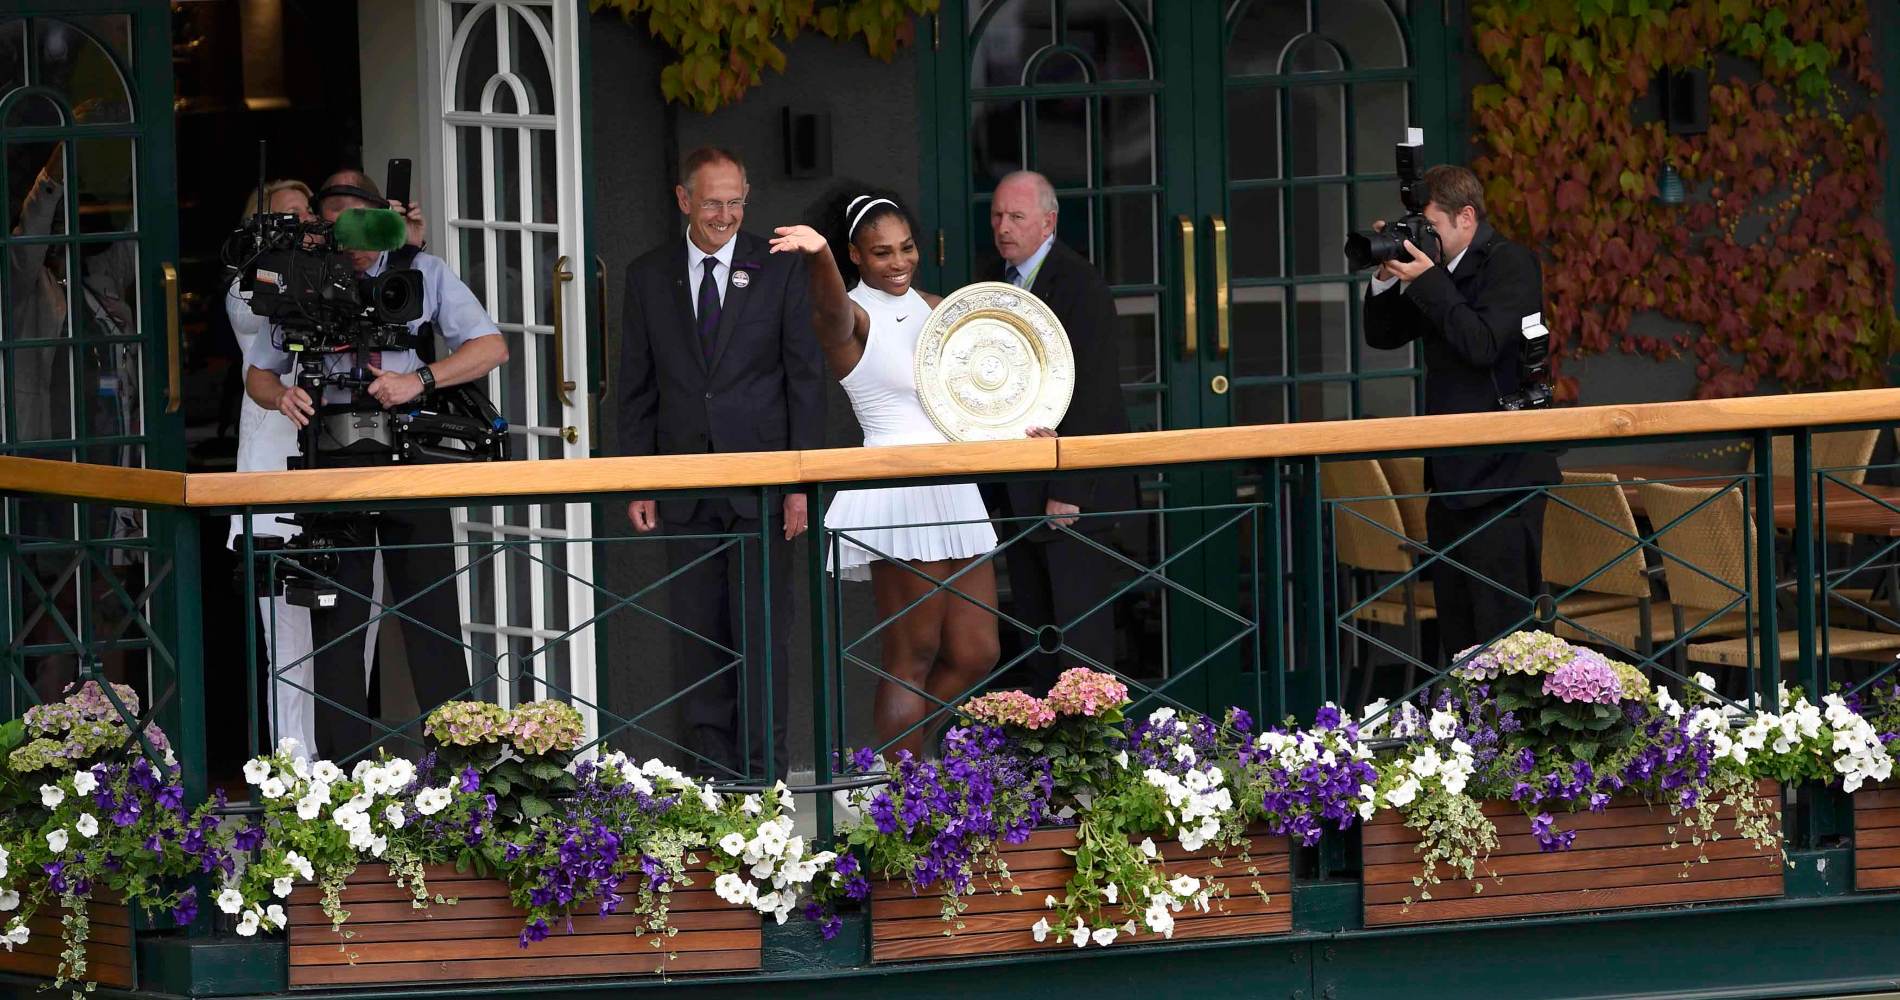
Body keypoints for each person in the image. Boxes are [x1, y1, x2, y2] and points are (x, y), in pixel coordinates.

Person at [244, 169, 508, 761]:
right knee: (336, 629)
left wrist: (420, 379)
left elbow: (491, 346)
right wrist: (281, 396)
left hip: (410, 460)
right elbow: (259, 372)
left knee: (433, 620)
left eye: (366, 229)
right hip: (331, 467)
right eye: (339, 229)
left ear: (384, 219)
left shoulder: (424, 271)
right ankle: (343, 784)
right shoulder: (300, 277)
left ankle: (461, 776)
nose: (357, 246)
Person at [771, 190, 1034, 761]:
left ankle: (900, 759)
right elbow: (831, 310)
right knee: (911, 654)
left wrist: (1023, 428)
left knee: (975, 652)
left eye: (907, 248)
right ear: (856, 256)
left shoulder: (938, 308)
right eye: (881, 252)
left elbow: (972, 396)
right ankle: (901, 787)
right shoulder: (849, 313)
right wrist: (818, 258)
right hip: (897, 486)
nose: (898, 261)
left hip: (955, 486)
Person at [615, 147, 826, 780]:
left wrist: (801, 484)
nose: (726, 215)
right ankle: (711, 780)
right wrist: (640, 477)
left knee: (762, 637)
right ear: (683, 200)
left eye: (736, 201)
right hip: (683, 484)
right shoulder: (649, 274)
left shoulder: (779, 268)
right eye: (712, 202)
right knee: (699, 639)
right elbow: (637, 384)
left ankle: (764, 781)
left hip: (762, 488)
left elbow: (804, 379)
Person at [225, 178, 408, 758]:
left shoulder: (340, 276)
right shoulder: (252, 286)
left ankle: (349, 770)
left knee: (359, 631)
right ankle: (294, 779)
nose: (308, 222)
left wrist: (394, 245)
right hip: (273, 484)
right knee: (289, 643)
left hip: (340, 475)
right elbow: (269, 328)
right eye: (290, 216)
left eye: (310, 213)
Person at [1362, 164, 1559, 661]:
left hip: (1503, 478)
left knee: (1504, 638)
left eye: (1430, 227)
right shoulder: (1439, 273)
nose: (1422, 239)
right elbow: (1383, 336)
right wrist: (1386, 280)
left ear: (1466, 217)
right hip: (1449, 479)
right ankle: (1468, 736)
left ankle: (1512, 736)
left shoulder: (1511, 263)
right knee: (1458, 637)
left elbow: (1483, 345)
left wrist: (1428, 280)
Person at [980, 170, 1137, 690]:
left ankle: (1092, 763)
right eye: (998, 215)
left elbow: (1094, 391)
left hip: (1073, 497)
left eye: (1017, 217)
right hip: (1023, 492)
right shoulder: (999, 281)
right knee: (1039, 637)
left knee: (1081, 644)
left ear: (1049, 221)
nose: (1004, 227)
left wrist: (1068, 489)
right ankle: (1047, 762)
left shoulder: (1078, 282)